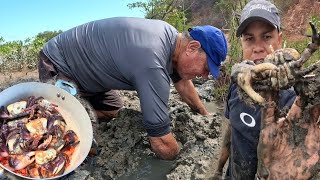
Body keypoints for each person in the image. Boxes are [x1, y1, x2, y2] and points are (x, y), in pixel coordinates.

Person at [37, 17, 228, 160]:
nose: (205, 75)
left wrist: (203, 112)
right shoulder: (152, 63)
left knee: (115, 112)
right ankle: (63, 109)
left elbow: (183, 82)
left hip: (91, 75)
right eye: (206, 67)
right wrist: (179, 159)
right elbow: (160, 141)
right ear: (192, 47)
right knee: (79, 145)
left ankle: (81, 107)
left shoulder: (171, 37)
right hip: (59, 63)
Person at [213, 0, 297, 179]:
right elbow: (232, 130)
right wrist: (219, 169)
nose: (258, 48)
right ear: (242, 43)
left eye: (266, 37)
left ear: (279, 40)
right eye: (249, 39)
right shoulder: (237, 85)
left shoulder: (295, 99)